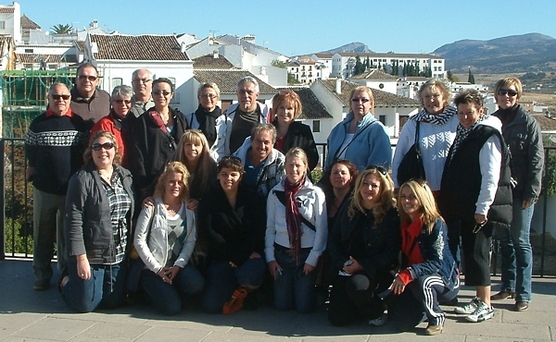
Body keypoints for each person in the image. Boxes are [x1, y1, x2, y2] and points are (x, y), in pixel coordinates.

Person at [439, 89, 512, 323]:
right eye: (460, 113)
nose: (464, 117)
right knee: (472, 251)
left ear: (480, 111)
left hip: (479, 209)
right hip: (468, 207)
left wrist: (482, 208)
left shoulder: (487, 136)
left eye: (469, 112)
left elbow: (490, 176)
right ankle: (479, 301)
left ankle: (485, 304)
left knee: (479, 253)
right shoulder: (468, 132)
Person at [61, 131, 135, 312]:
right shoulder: (81, 179)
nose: (103, 150)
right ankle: (65, 281)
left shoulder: (125, 176)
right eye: (97, 146)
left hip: (117, 256)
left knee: (112, 303)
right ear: (91, 151)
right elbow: (73, 220)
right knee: (85, 305)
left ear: (115, 150)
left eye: (107, 146)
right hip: (91, 256)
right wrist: (81, 259)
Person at [25, 83, 88, 291]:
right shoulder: (38, 123)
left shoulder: (78, 123)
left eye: (64, 96)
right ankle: (41, 275)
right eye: (56, 96)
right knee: (42, 235)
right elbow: (31, 152)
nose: (60, 100)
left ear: (70, 98)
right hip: (44, 189)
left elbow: (84, 154)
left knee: (67, 237)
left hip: (70, 190)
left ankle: (65, 275)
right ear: (48, 98)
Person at [490, 77, 544, 312]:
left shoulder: (528, 123)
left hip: (521, 193)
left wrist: (532, 192)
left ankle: (524, 294)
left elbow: (536, 160)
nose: (507, 96)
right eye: (503, 92)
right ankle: (508, 285)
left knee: (521, 241)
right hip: (499, 193)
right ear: (496, 95)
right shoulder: (492, 122)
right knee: (504, 242)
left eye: (512, 93)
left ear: (518, 96)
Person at [327, 166, 400, 327]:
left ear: (382, 188)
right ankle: (359, 305)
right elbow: (334, 240)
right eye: (365, 184)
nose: (368, 189)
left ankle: (377, 309)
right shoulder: (349, 206)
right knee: (337, 319)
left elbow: (391, 253)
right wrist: (342, 263)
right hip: (346, 267)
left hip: (375, 269)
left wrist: (362, 265)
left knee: (356, 287)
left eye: (374, 185)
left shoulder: (391, 214)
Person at [133, 161, 205, 315]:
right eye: (171, 181)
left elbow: (190, 241)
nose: (176, 186)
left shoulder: (189, 209)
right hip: (154, 268)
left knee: (196, 284)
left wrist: (178, 266)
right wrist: (158, 269)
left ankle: (170, 289)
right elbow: (139, 240)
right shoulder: (152, 207)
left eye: (180, 182)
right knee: (171, 308)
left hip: (177, 266)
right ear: (164, 182)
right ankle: (150, 292)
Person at [198, 156, 266, 314]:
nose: (229, 178)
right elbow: (208, 231)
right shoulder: (210, 198)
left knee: (250, 273)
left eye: (233, 174)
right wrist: (231, 256)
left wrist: (241, 255)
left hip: (247, 255)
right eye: (224, 174)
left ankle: (247, 290)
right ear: (218, 175)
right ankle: (235, 290)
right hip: (222, 257)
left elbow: (258, 229)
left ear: (241, 176)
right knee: (211, 306)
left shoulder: (251, 197)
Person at [391, 180, 459, 335]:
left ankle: (436, 317)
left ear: (422, 199)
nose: (406, 201)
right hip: (413, 279)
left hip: (441, 279)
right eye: (403, 196)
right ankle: (423, 307)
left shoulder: (435, 223)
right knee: (400, 322)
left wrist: (408, 273)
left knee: (425, 282)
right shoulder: (403, 222)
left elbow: (436, 263)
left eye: (412, 197)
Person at [265, 148, 327, 313]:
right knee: (282, 306)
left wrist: (312, 259)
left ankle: (319, 295)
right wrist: (270, 258)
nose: (294, 169)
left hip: (305, 255)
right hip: (282, 255)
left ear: (306, 167)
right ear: (284, 166)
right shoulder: (275, 193)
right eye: (290, 165)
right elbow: (270, 227)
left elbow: (321, 229)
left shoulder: (316, 194)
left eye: (298, 165)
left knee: (304, 307)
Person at [392, 79, 459, 193]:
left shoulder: (457, 119)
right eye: (427, 96)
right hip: (421, 193)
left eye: (436, 95)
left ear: (444, 98)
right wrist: (397, 186)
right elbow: (399, 156)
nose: (431, 100)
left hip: (453, 190)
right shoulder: (413, 123)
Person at [129, 78, 188, 192]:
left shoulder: (181, 119)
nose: (161, 96)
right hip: (153, 180)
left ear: (172, 95)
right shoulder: (143, 121)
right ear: (152, 95)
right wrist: (143, 184)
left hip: (179, 180)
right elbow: (137, 154)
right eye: (156, 92)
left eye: (165, 93)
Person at [325, 85, 391, 172]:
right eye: (355, 100)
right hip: (336, 182)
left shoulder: (377, 130)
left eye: (364, 100)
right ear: (351, 103)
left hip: (362, 183)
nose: (359, 103)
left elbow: (378, 165)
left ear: (371, 104)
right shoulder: (338, 129)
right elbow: (329, 161)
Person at [213, 76, 269, 160]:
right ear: (237, 94)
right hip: (234, 165)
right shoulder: (226, 116)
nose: (245, 96)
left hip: (258, 163)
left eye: (249, 92)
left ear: (257, 95)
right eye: (242, 92)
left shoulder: (267, 115)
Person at [233, 123, 285, 202]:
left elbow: (282, 192)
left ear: (273, 144)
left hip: (268, 206)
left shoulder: (280, 162)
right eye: (258, 141)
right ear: (251, 141)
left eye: (266, 142)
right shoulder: (236, 159)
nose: (262, 146)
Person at [271, 90, 319, 172]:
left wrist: (298, 173)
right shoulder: (268, 130)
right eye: (281, 107)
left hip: (297, 179)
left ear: (295, 111)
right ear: (276, 109)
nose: (285, 112)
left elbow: (313, 159)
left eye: (289, 108)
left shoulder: (303, 131)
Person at [173, 130, 218, 212]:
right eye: (188, 145)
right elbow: (160, 184)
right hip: (175, 205)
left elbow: (213, 192)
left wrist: (200, 201)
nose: (192, 148)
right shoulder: (173, 161)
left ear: (203, 147)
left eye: (196, 145)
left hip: (201, 209)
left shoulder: (211, 166)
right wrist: (148, 197)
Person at [91, 85, 133, 168]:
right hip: (113, 170)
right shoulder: (104, 124)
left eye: (127, 101)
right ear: (111, 102)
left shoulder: (135, 122)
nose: (123, 105)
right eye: (119, 101)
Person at [185, 82, 223, 159]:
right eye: (204, 96)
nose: (208, 99)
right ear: (199, 98)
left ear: (217, 98)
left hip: (218, 163)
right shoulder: (189, 119)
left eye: (211, 96)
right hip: (196, 162)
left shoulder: (225, 120)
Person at [70, 62, 111, 128]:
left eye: (91, 78)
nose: (87, 80)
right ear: (76, 80)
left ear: (97, 81)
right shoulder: (65, 99)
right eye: (82, 77)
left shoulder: (106, 98)